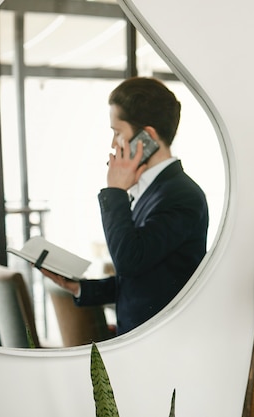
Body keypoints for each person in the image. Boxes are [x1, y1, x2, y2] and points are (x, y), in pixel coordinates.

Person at [44, 77, 209, 335]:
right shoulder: (152, 189)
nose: (113, 144)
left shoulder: (182, 195)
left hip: (161, 341)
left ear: (148, 136)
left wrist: (115, 191)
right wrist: (79, 287)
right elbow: (141, 278)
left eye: (117, 132)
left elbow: (129, 260)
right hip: (141, 338)